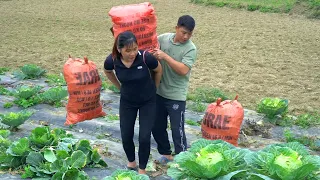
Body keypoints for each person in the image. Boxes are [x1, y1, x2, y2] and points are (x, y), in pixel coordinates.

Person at [104, 31, 162, 174]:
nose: (132, 53)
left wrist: (154, 88)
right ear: (119, 49)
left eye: (135, 48)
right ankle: (131, 162)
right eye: (128, 50)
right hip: (127, 102)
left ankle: (142, 168)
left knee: (144, 136)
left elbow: (158, 70)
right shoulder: (112, 60)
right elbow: (107, 71)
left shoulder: (145, 58)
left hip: (147, 101)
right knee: (126, 134)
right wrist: (119, 87)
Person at [151, 15, 197, 164]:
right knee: (157, 127)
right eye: (183, 32)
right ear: (176, 28)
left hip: (176, 95)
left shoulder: (190, 48)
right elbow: (149, 47)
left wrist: (164, 56)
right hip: (159, 92)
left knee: (177, 130)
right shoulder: (163, 39)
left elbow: (183, 70)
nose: (186, 36)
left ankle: (182, 158)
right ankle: (166, 153)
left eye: (189, 34)